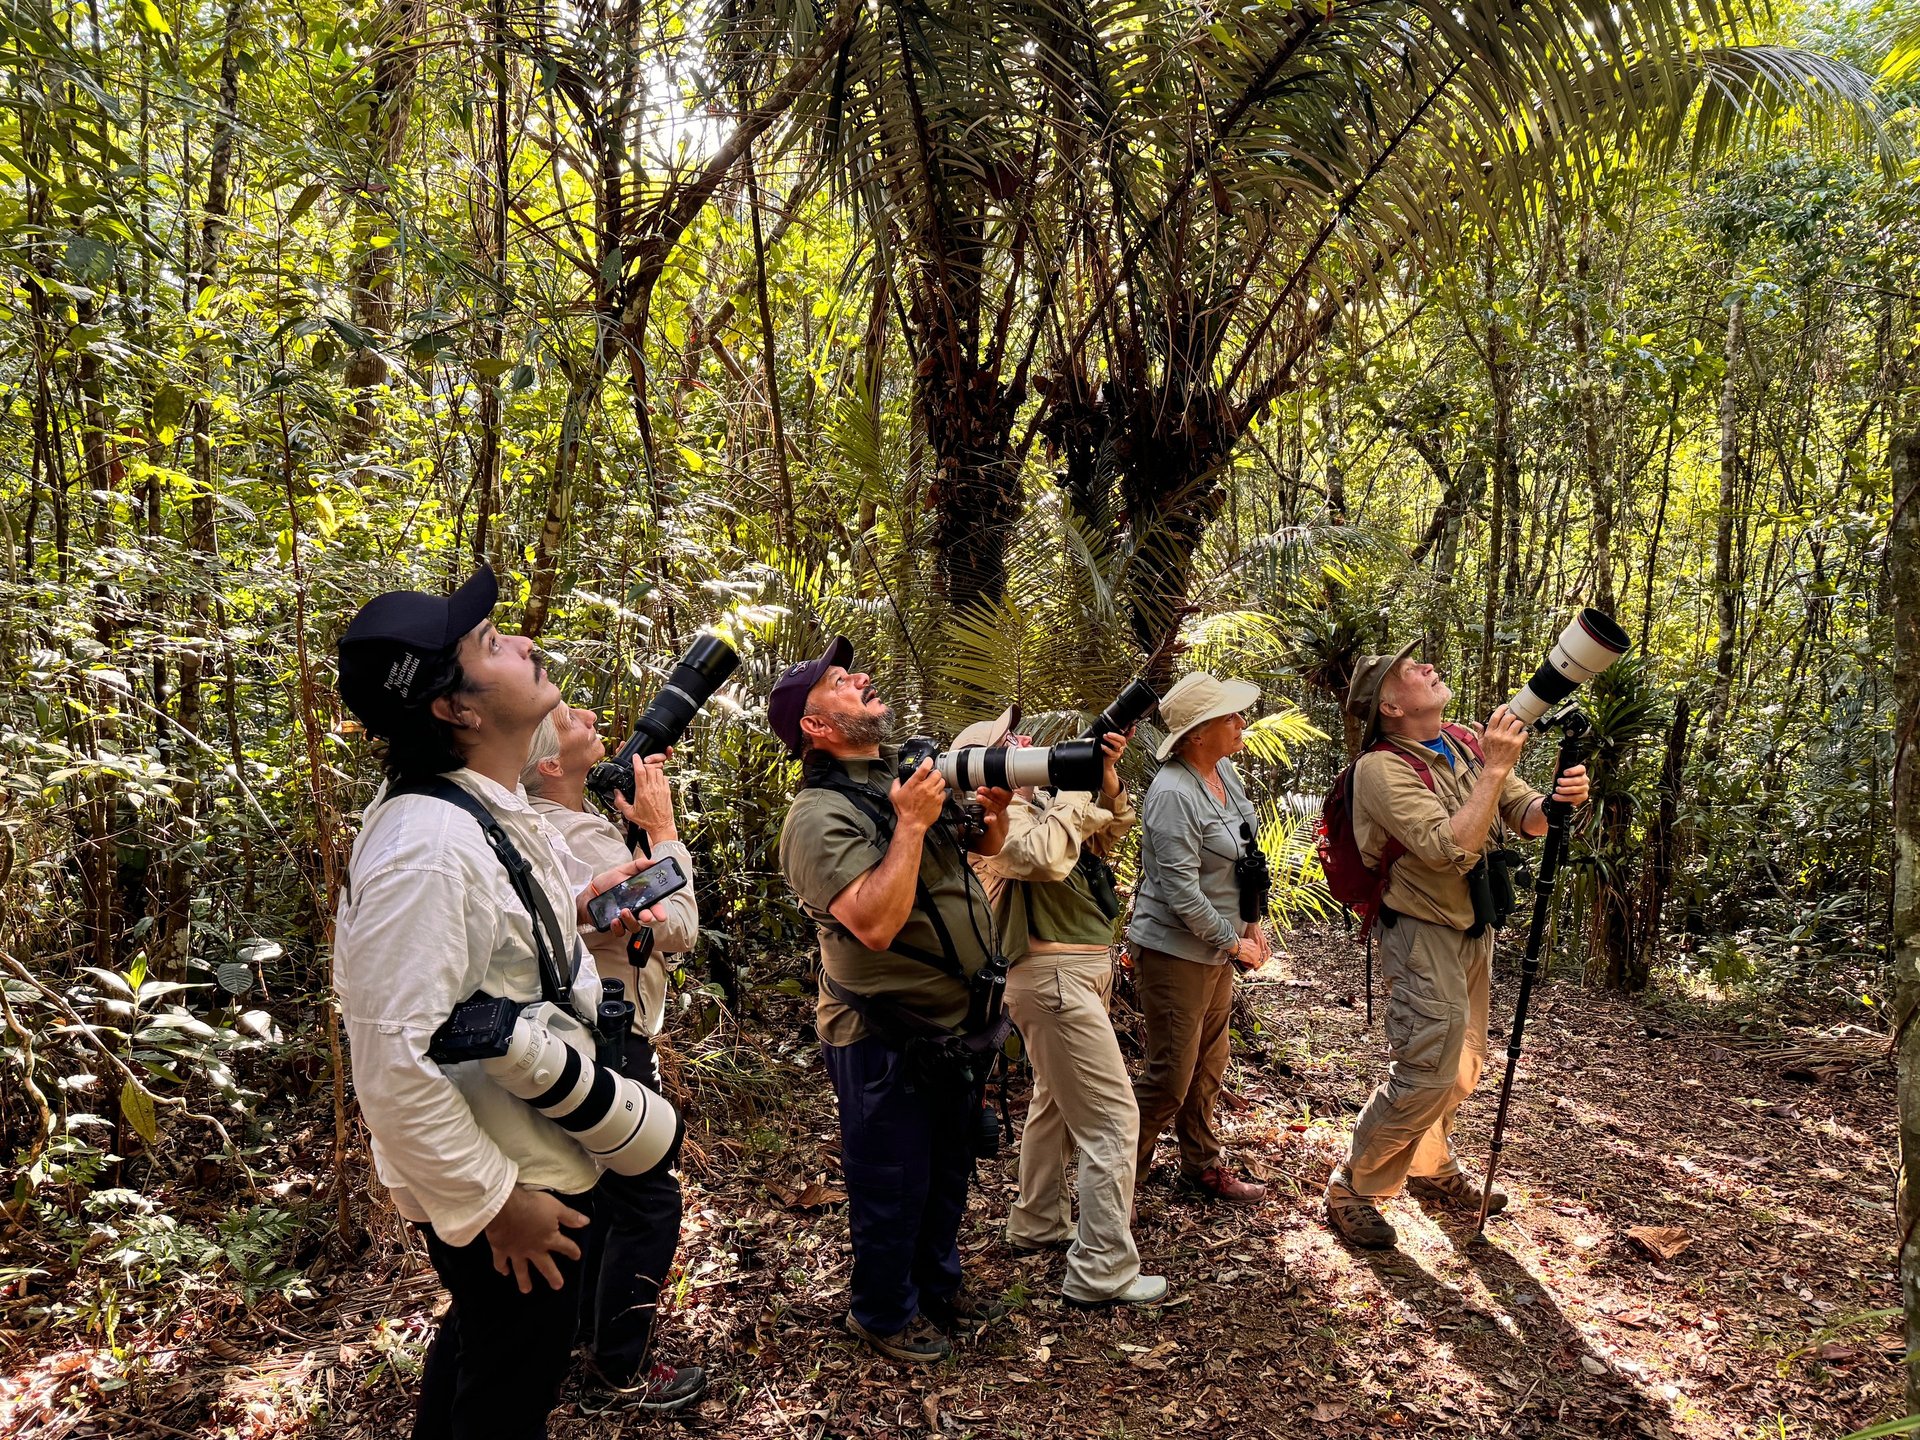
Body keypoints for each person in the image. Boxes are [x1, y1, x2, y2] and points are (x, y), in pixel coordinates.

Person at [332, 566, 679, 1438]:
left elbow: (476, 949)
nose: (522, 641)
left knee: (489, 1351)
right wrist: (496, 1204)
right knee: (510, 1388)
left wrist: (574, 902)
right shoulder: (428, 847)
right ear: (456, 708)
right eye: (490, 643)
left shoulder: (475, 802)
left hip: (532, 1142)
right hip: (510, 1177)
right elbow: (389, 1060)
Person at [770, 637, 1013, 1366]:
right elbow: (873, 924)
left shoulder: (893, 780)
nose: (863, 678)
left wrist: (994, 813)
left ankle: (936, 1288)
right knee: (892, 1178)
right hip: (884, 1034)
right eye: (842, 683)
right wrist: (909, 824)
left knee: (946, 1168)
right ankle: (880, 1311)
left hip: (954, 1025)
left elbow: (980, 849)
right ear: (815, 727)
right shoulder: (816, 817)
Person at [1323, 642, 1589, 1250]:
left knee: (1464, 1064)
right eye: (1407, 670)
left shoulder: (1466, 741)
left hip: (1475, 925)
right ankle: (1352, 1184)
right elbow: (1449, 849)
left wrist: (1557, 800)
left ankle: (1429, 1165)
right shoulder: (1380, 769)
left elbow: (1526, 815)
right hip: (1421, 932)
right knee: (1426, 1069)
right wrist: (1495, 770)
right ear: (1388, 705)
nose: (1427, 666)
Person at [519, 702, 707, 1413]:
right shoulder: (570, 837)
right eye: (569, 714)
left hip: (565, 1037)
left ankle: (582, 1341)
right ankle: (619, 1372)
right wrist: (661, 830)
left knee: (598, 1193)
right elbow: (678, 926)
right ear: (547, 763)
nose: (590, 713)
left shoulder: (533, 829)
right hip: (608, 1039)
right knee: (648, 1198)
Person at [961, 707, 1168, 1308]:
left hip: (1073, 974)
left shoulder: (1042, 804)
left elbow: (1108, 832)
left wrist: (1102, 777)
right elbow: (1044, 858)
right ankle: (1103, 1268)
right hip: (1051, 978)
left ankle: (1038, 1221)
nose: (1024, 745)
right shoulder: (989, 822)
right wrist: (1071, 795)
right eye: (1008, 743)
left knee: (1054, 1104)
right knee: (1112, 1120)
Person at [1127, 671, 1271, 1206]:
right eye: (1227, 717)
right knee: (1170, 1077)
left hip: (1218, 947)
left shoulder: (1223, 771)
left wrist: (1252, 923)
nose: (1240, 724)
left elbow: (1244, 856)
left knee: (1210, 1065)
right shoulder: (1171, 792)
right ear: (1195, 734)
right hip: (1174, 951)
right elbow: (1180, 891)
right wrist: (1235, 944)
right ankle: (1121, 1181)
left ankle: (1201, 1165)